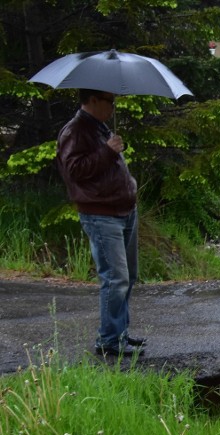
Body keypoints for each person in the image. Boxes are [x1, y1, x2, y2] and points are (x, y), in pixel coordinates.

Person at [56, 89, 146, 356]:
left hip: (123, 211)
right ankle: (108, 341)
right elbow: (74, 171)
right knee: (115, 278)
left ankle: (120, 333)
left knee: (127, 276)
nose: (113, 107)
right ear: (93, 100)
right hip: (102, 215)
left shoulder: (99, 127)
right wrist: (107, 151)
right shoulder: (75, 130)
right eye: (110, 101)